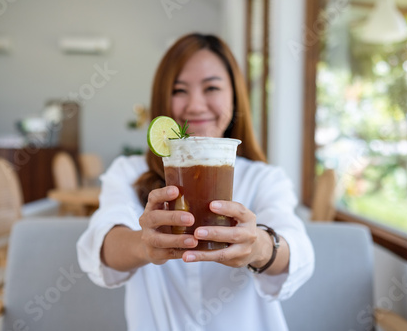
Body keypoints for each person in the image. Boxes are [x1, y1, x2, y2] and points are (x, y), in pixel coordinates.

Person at [77, 33, 314, 331]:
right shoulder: (127, 172)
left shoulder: (264, 178)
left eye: (212, 87)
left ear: (235, 97)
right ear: (162, 98)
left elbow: (299, 251)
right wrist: (144, 244)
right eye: (179, 90)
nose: (196, 105)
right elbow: (101, 244)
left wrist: (258, 247)